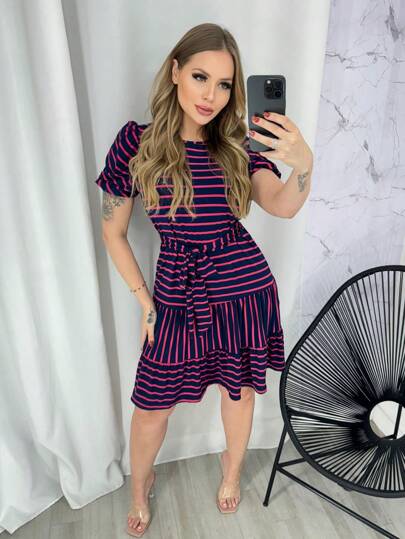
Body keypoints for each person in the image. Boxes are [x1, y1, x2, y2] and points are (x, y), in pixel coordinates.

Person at [94, 22, 313, 538]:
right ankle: (140, 488)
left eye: (224, 84)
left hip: (242, 290)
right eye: (200, 77)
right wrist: (146, 303)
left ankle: (231, 472)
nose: (211, 95)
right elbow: (112, 231)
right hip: (176, 293)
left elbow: (282, 205)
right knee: (152, 408)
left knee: (239, 392)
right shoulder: (135, 143)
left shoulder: (238, 145)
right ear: (175, 72)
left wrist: (304, 164)